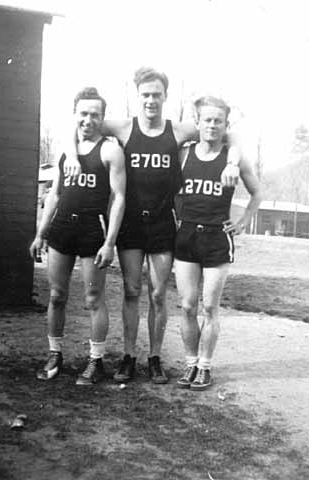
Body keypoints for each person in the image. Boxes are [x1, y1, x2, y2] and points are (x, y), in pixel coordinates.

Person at [64, 67, 241, 384]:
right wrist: (72, 156)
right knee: (132, 291)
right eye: (145, 94)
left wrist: (232, 161)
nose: (150, 100)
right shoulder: (123, 127)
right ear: (137, 95)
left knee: (158, 295)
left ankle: (155, 358)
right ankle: (130, 357)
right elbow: (79, 121)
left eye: (156, 94)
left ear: (165, 97)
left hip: (162, 224)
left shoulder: (177, 130)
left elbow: (228, 132)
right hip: (132, 223)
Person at [29, 87, 126, 385]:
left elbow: (120, 198)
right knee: (57, 295)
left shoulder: (110, 150)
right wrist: (40, 234)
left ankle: (95, 361)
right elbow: (54, 195)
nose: (88, 120)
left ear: (103, 117)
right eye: (83, 114)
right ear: (75, 115)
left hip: (92, 230)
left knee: (94, 298)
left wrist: (110, 242)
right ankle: (55, 353)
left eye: (95, 114)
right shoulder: (65, 151)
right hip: (62, 230)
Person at [174, 95, 261, 390]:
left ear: (226, 125)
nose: (212, 125)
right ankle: (190, 364)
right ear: (197, 122)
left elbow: (257, 194)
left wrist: (242, 220)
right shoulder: (184, 154)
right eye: (207, 120)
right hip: (186, 235)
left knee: (209, 307)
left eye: (218, 121)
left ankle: (205, 366)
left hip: (216, 238)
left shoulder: (233, 157)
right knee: (187, 306)